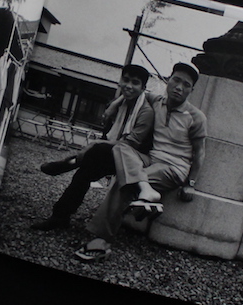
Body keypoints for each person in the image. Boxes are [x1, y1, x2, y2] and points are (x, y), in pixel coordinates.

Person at [74, 62, 206, 260]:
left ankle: (102, 241)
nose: (179, 87)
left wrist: (191, 183)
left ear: (191, 90)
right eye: (176, 80)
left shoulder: (196, 117)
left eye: (186, 85)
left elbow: (200, 152)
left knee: (124, 183)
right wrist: (115, 104)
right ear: (168, 80)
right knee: (121, 147)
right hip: (150, 159)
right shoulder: (157, 101)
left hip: (173, 168)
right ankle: (146, 191)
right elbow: (134, 93)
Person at [32, 64, 154, 230]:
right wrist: (114, 105)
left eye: (135, 83)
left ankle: (70, 163)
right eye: (125, 80)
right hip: (115, 153)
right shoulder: (122, 104)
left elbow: (129, 145)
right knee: (86, 170)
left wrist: (95, 144)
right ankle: (60, 215)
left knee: (95, 152)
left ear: (143, 88)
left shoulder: (146, 112)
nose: (128, 86)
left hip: (134, 160)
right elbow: (110, 136)